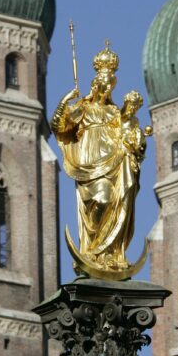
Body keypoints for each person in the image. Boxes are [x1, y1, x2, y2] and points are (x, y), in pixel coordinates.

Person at [51, 47, 146, 272]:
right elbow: (59, 125)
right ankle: (92, 250)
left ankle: (111, 253)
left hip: (115, 162)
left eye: (109, 87)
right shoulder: (83, 108)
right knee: (101, 199)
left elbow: (128, 132)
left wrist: (135, 142)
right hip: (90, 163)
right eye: (102, 87)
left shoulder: (114, 112)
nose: (105, 91)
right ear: (95, 87)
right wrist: (66, 100)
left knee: (119, 201)